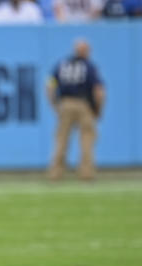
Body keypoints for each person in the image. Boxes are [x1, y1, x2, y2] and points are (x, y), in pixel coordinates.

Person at [47, 39, 105, 181]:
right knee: (87, 139)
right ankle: (86, 173)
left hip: (65, 104)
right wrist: (98, 109)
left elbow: (49, 86)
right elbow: (99, 91)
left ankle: (55, 173)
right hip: (83, 104)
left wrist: (55, 104)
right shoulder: (89, 66)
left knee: (61, 139)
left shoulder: (62, 65)